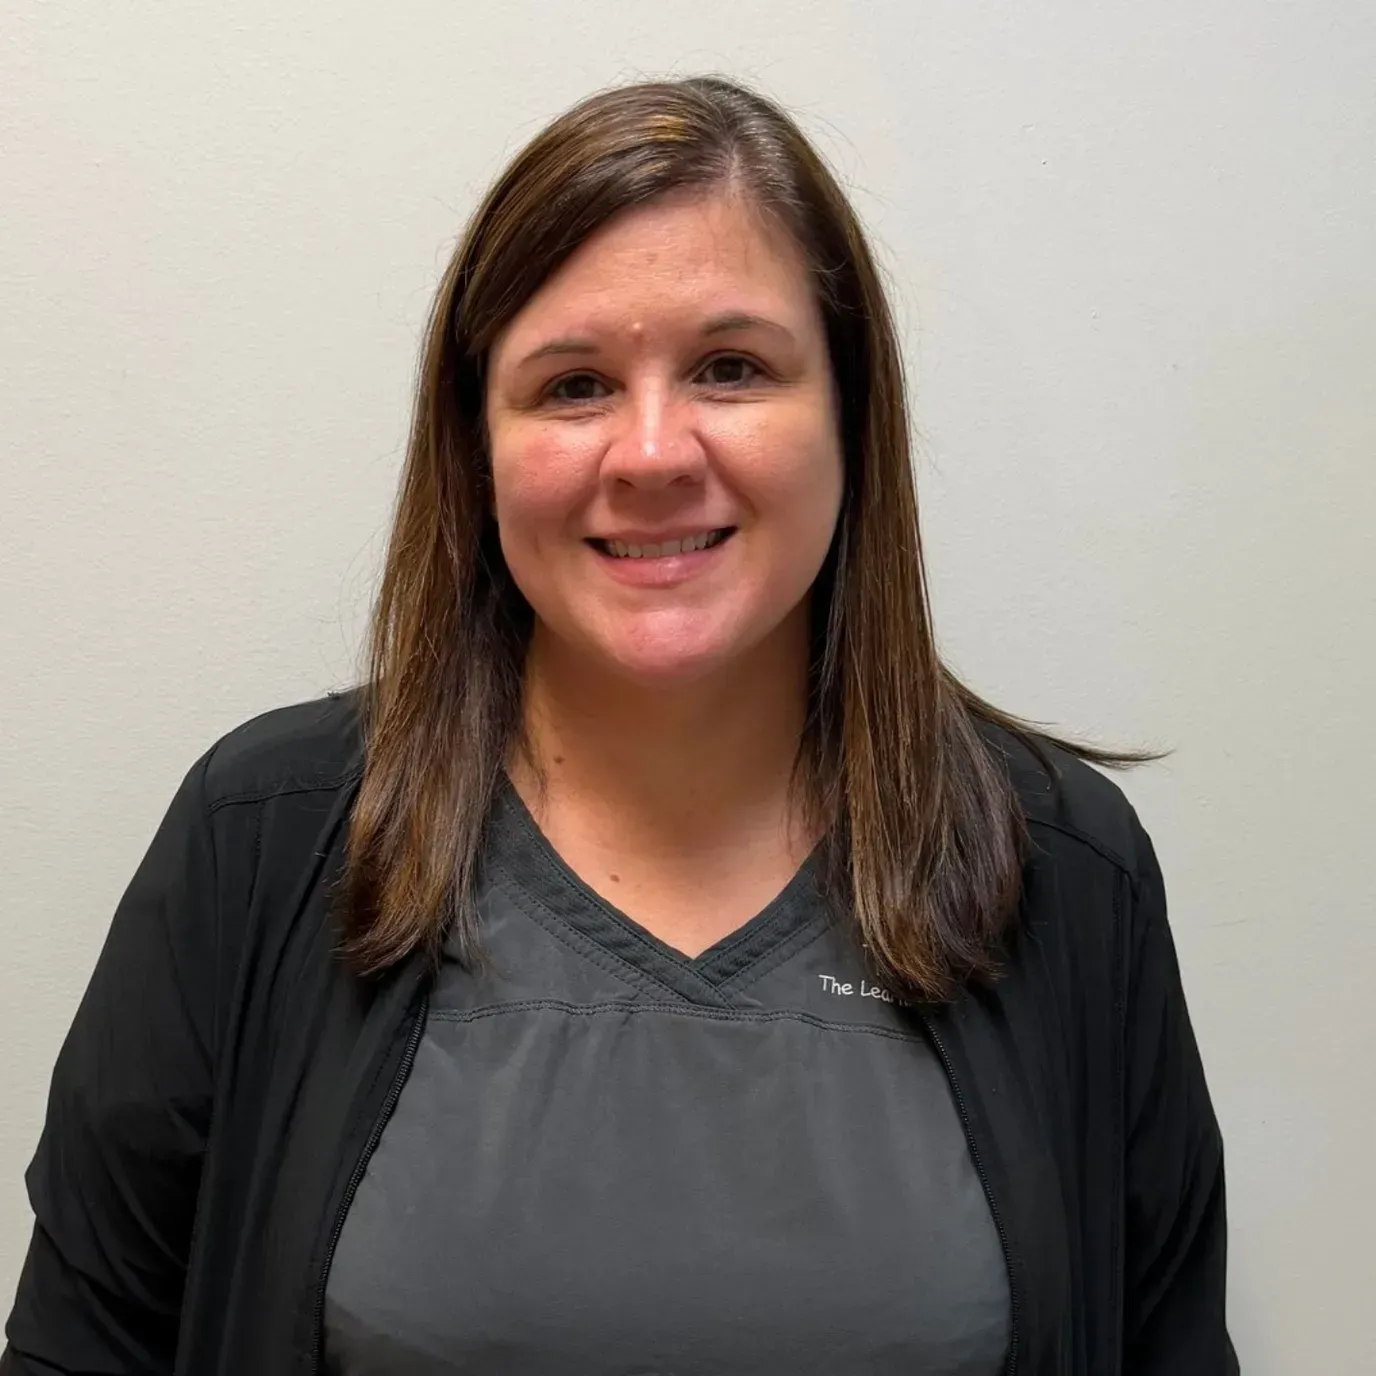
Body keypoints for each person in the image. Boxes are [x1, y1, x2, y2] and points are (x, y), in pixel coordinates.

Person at [1, 76, 1237, 1375]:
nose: (652, 451)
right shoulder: (266, 845)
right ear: (478, 449)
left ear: (852, 420)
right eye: (575, 384)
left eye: (731, 368)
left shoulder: (1063, 874)